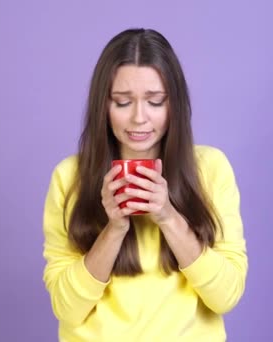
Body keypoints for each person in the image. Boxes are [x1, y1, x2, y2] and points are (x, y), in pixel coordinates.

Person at [42, 28, 247, 341]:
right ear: (103, 108)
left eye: (155, 101)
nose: (139, 118)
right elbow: (66, 309)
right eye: (123, 103)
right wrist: (114, 228)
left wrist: (168, 216)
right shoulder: (69, 178)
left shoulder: (210, 169)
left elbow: (226, 295)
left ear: (174, 105)